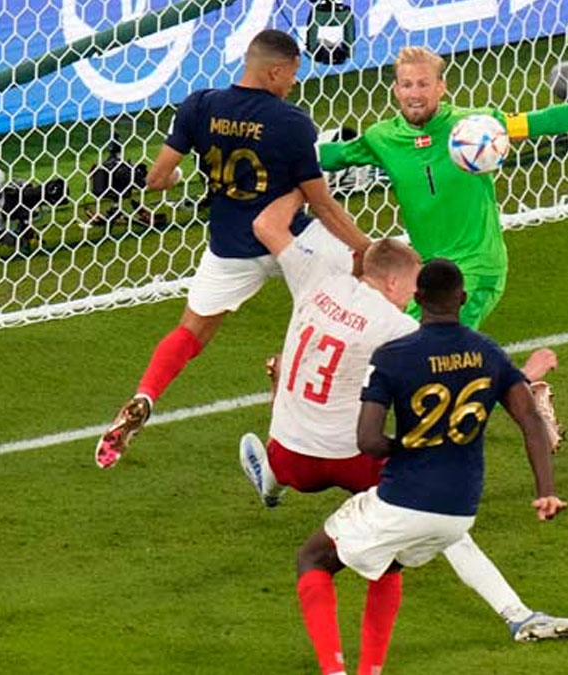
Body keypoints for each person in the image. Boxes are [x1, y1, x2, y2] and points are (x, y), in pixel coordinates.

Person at [238, 193, 568, 643]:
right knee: (436, 510)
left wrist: (306, 184)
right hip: (347, 456)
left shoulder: (316, 279)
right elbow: (463, 378)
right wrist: (527, 374)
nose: (413, 297)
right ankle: (518, 615)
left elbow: (265, 225)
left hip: (290, 451)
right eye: (410, 287)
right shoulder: (396, 327)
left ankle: (270, 479)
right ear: (392, 283)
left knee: (293, 401)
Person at [315, 46, 568, 447]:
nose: (415, 93)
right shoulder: (383, 138)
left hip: (476, 268)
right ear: (395, 90)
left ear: (441, 87)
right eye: (407, 85)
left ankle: (397, 443)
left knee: (426, 355)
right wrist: (281, 146)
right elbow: (335, 156)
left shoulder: (475, 126)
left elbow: (539, 122)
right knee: (431, 356)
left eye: (424, 84)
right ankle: (527, 392)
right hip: (426, 275)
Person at [94, 29, 371, 469]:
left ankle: (144, 397)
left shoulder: (199, 105)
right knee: (356, 297)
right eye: (293, 73)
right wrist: (364, 248)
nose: (294, 82)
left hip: (229, 246)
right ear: (275, 71)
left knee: (190, 332)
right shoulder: (292, 123)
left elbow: (157, 179)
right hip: (291, 240)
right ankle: (300, 373)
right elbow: (321, 203)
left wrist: (181, 177)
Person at [294, 258, 568, 675]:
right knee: (388, 564)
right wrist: (546, 491)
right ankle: (370, 670)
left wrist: (405, 446)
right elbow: (531, 419)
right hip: (459, 512)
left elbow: (368, 441)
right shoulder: (488, 352)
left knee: (313, 558)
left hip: (405, 498)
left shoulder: (393, 356)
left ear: (418, 298)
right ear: (463, 298)